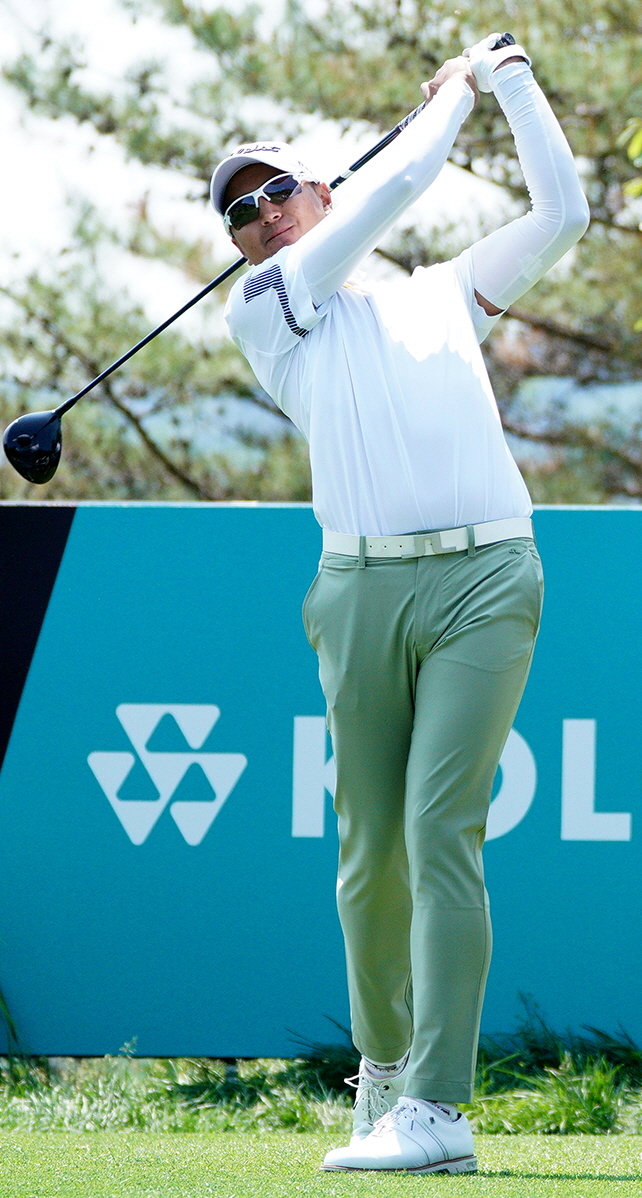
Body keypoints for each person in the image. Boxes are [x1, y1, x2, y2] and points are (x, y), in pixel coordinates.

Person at [209, 33, 589, 1175]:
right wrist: (454, 90)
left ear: (321, 188)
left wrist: (509, 80)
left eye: (278, 190)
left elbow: (562, 215)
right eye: (241, 213)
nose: (263, 216)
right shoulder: (269, 308)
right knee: (370, 853)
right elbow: (404, 183)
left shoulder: (443, 295)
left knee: (438, 828)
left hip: (487, 578)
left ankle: (437, 1108)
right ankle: (381, 1067)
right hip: (359, 588)